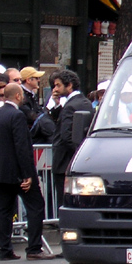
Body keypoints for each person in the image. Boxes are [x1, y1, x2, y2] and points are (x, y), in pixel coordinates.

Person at [0, 83, 51, 260]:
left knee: (4, 211)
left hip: (1, 171)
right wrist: (27, 174)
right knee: (36, 206)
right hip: (18, 172)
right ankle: (33, 248)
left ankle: (5, 249)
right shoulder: (17, 116)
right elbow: (22, 147)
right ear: (17, 96)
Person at [49, 69, 93, 209]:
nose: (55, 89)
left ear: (69, 86)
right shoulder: (86, 103)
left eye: (58, 85)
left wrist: (77, 153)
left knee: (64, 202)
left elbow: (66, 135)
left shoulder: (70, 106)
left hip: (64, 162)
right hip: (79, 161)